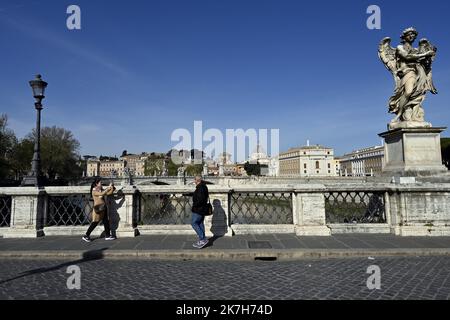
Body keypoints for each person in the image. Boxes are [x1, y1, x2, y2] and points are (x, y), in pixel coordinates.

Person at [82, 178, 116, 242]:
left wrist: (112, 187)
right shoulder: (94, 191)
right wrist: (108, 187)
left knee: (106, 221)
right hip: (98, 209)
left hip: (103, 207)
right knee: (95, 222)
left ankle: (108, 235)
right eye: (100, 183)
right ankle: (86, 235)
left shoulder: (101, 190)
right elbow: (102, 194)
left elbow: (108, 193)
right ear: (96, 184)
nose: (101, 184)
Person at [191, 175, 209, 248]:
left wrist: (194, 205)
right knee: (200, 223)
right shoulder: (204, 186)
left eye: (194, 179)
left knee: (194, 223)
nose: (193, 181)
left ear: (197, 180)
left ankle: (203, 239)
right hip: (202, 209)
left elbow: (200, 199)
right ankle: (202, 240)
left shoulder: (200, 188)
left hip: (198, 209)